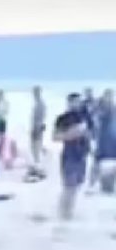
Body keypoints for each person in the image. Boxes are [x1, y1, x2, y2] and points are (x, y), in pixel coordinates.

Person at [53, 92, 92, 221]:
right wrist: (72, 134)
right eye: (74, 102)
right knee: (68, 186)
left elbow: (91, 134)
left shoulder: (85, 117)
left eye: (78, 102)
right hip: (69, 155)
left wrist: (86, 135)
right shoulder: (63, 118)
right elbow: (55, 137)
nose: (77, 105)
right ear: (68, 103)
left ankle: (68, 211)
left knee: (77, 186)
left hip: (81, 156)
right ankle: (63, 212)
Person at [28, 86, 47, 180]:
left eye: (36, 92)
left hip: (37, 128)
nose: (34, 94)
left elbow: (41, 118)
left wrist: (37, 127)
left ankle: (39, 168)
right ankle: (37, 167)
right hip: (36, 127)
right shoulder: (38, 103)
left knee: (36, 149)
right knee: (34, 148)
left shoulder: (41, 104)